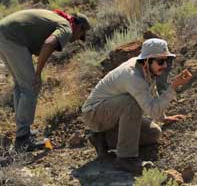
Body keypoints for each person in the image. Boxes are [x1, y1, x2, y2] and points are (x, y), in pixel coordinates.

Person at [81, 38, 191, 174]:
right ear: (147, 60)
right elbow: (152, 111)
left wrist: (164, 118)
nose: (165, 65)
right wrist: (173, 86)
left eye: (167, 60)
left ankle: (102, 139)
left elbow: (153, 93)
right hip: (93, 114)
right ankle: (126, 158)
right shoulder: (132, 76)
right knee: (131, 103)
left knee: (153, 133)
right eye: (161, 61)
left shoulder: (145, 69)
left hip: (110, 114)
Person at [0, 8, 90, 151]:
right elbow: (49, 44)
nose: (76, 40)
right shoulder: (66, 27)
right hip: (11, 38)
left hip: (0, 33)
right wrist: (38, 73)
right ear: (79, 27)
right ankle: (23, 139)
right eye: (81, 35)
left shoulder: (57, 18)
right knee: (31, 86)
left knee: (21, 85)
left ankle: (22, 133)